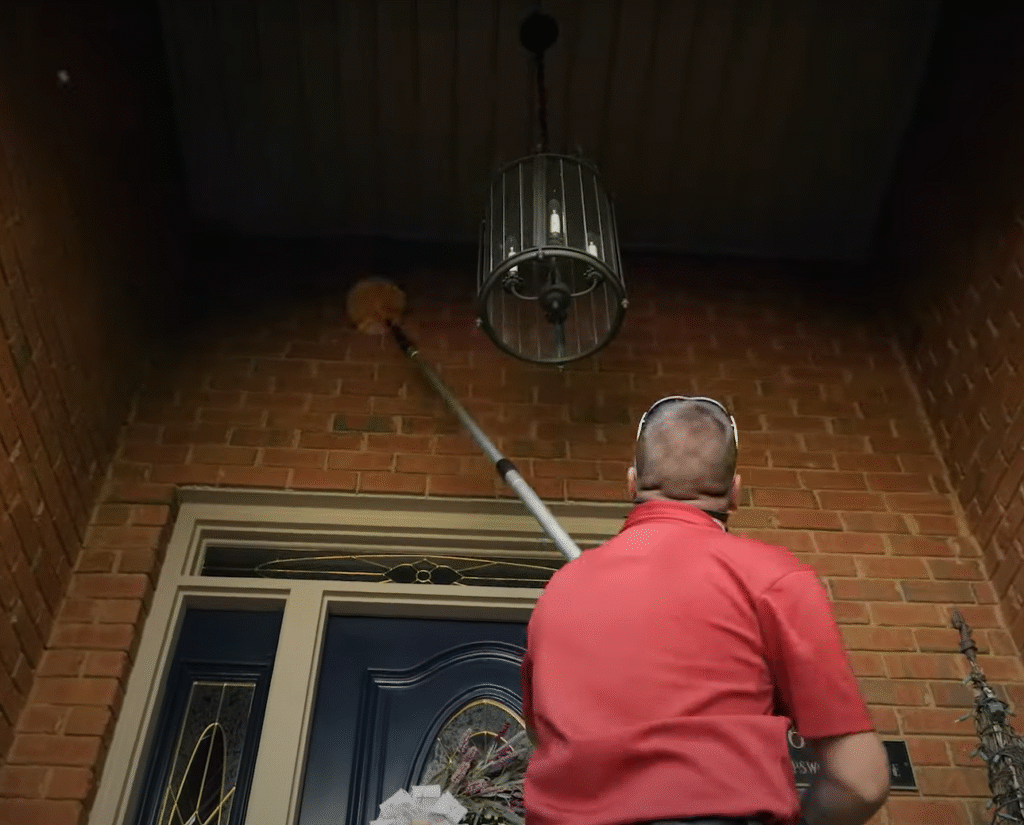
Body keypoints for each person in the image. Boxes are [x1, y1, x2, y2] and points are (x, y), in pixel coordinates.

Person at [519, 396, 891, 825]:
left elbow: (540, 734)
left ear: (631, 483)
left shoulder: (558, 590)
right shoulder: (772, 576)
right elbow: (860, 782)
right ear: (735, 493)